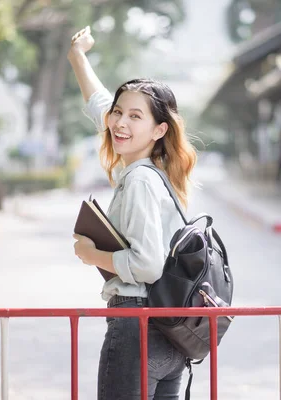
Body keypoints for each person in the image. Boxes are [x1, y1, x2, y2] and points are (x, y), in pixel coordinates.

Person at [68, 26, 197, 399]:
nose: (120, 123)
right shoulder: (158, 172)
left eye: (135, 117)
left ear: (159, 129)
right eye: (118, 113)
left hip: (135, 326)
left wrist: (92, 254)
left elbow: (147, 264)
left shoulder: (140, 180)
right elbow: (101, 106)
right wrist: (78, 56)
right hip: (167, 336)